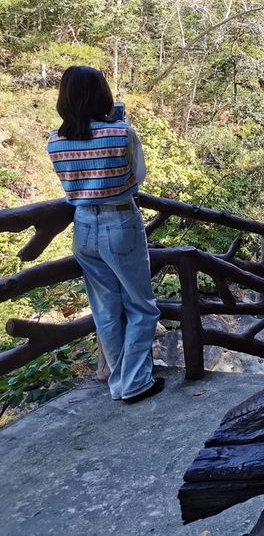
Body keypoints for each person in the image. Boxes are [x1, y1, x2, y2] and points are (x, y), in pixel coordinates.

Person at [48, 66, 164, 404]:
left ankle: (119, 382)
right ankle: (135, 382)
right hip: (120, 222)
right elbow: (138, 176)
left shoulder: (55, 141)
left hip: (83, 226)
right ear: (102, 95)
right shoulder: (121, 132)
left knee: (106, 309)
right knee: (142, 307)